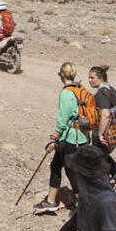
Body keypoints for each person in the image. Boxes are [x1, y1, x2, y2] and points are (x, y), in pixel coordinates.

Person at [34, 62, 90, 215]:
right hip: (82, 136)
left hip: (71, 138)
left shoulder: (66, 93)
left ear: (62, 75)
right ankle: (51, 201)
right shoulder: (80, 89)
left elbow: (63, 117)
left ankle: (82, 203)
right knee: (56, 165)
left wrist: (55, 135)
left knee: (71, 170)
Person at [88, 65, 116, 195]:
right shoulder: (111, 89)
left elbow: (105, 114)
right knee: (104, 156)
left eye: (92, 77)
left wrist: (99, 135)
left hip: (105, 131)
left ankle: (103, 190)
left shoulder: (100, 94)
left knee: (99, 161)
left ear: (100, 78)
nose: (89, 80)